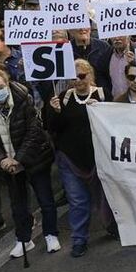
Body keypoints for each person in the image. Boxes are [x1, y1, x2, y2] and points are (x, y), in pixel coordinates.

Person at [0, 67, 59, 258]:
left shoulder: (24, 98)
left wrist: (18, 159)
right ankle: (23, 239)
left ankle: (51, 234)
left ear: (7, 83)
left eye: (0, 87)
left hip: (34, 159)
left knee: (45, 199)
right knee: (18, 205)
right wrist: (2, 160)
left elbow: (34, 132)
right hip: (8, 165)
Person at [45, 59, 109, 258]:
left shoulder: (103, 94)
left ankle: (112, 226)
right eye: (73, 77)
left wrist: (102, 109)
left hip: (99, 157)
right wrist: (55, 112)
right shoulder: (63, 98)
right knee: (77, 200)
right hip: (70, 159)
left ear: (90, 75)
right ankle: (79, 239)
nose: (78, 80)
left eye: (82, 76)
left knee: (106, 197)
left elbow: (113, 124)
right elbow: (52, 128)